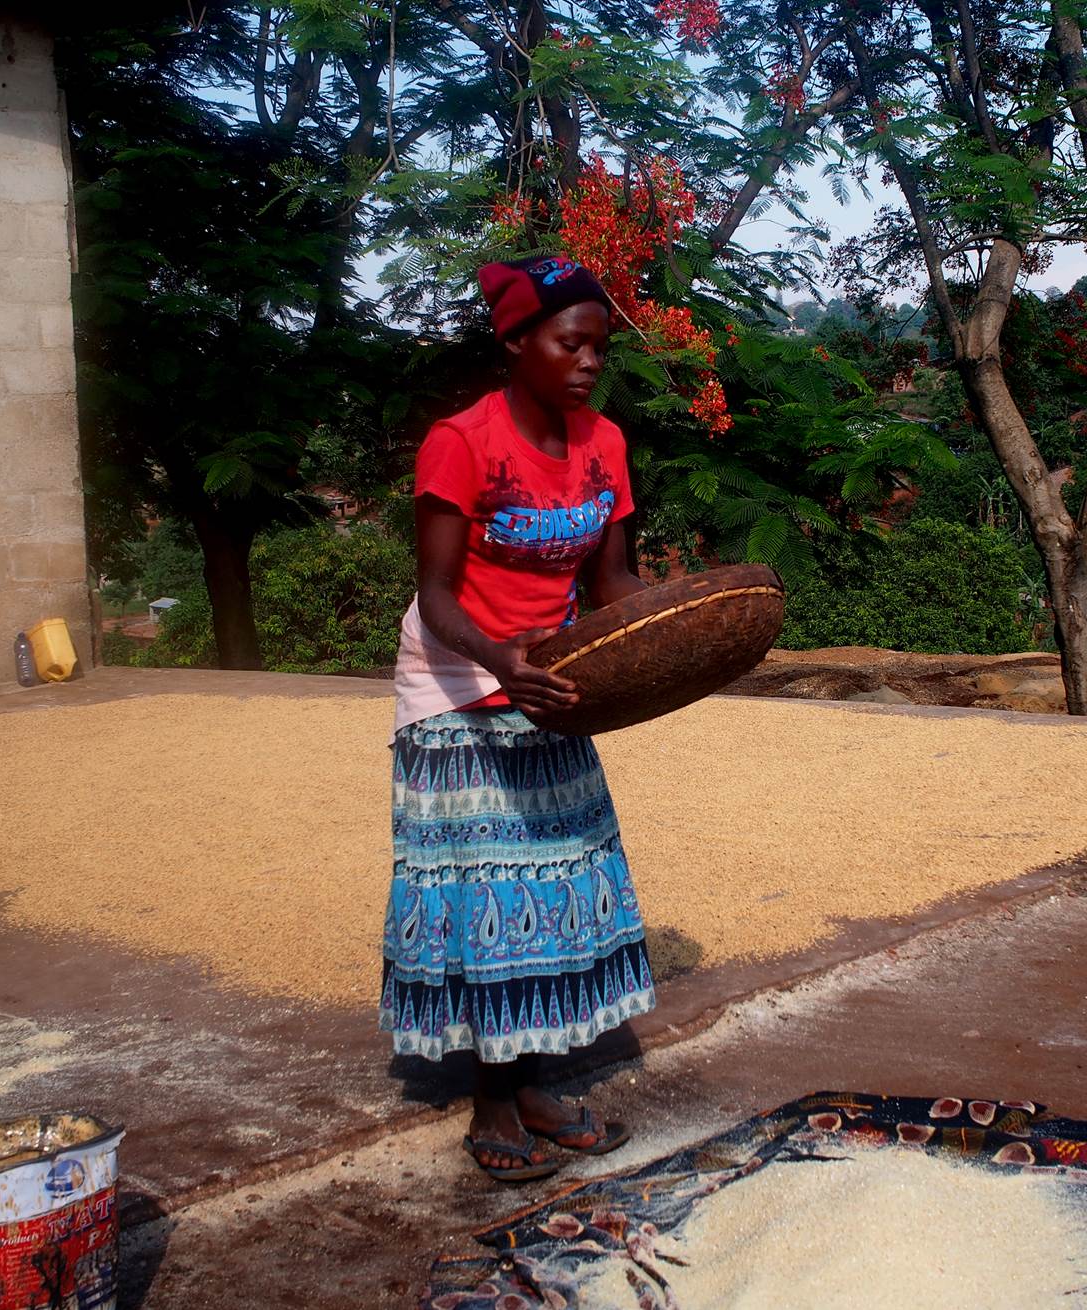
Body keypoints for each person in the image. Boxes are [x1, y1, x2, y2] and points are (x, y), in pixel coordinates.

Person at [382, 254, 655, 1182]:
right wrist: (503, 661)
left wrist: (687, 625)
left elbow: (611, 583)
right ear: (516, 343)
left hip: (553, 679)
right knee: (489, 896)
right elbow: (436, 596)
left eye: (598, 348)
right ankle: (492, 1103)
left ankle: (534, 1084)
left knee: (557, 889)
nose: (587, 362)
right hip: (460, 683)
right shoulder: (463, 442)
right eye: (569, 343)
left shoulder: (603, 442)